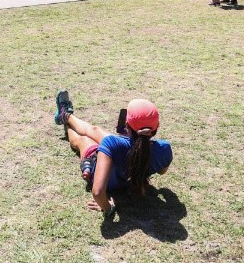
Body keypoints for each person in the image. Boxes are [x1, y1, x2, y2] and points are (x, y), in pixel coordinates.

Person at [53, 91, 173, 219]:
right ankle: (65, 115)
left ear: (126, 125)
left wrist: (107, 207)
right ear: (157, 126)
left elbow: (98, 193)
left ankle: (66, 121)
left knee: (83, 140)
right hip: (127, 178)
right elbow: (162, 171)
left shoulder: (112, 143)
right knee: (95, 130)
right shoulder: (164, 148)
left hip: (101, 175)